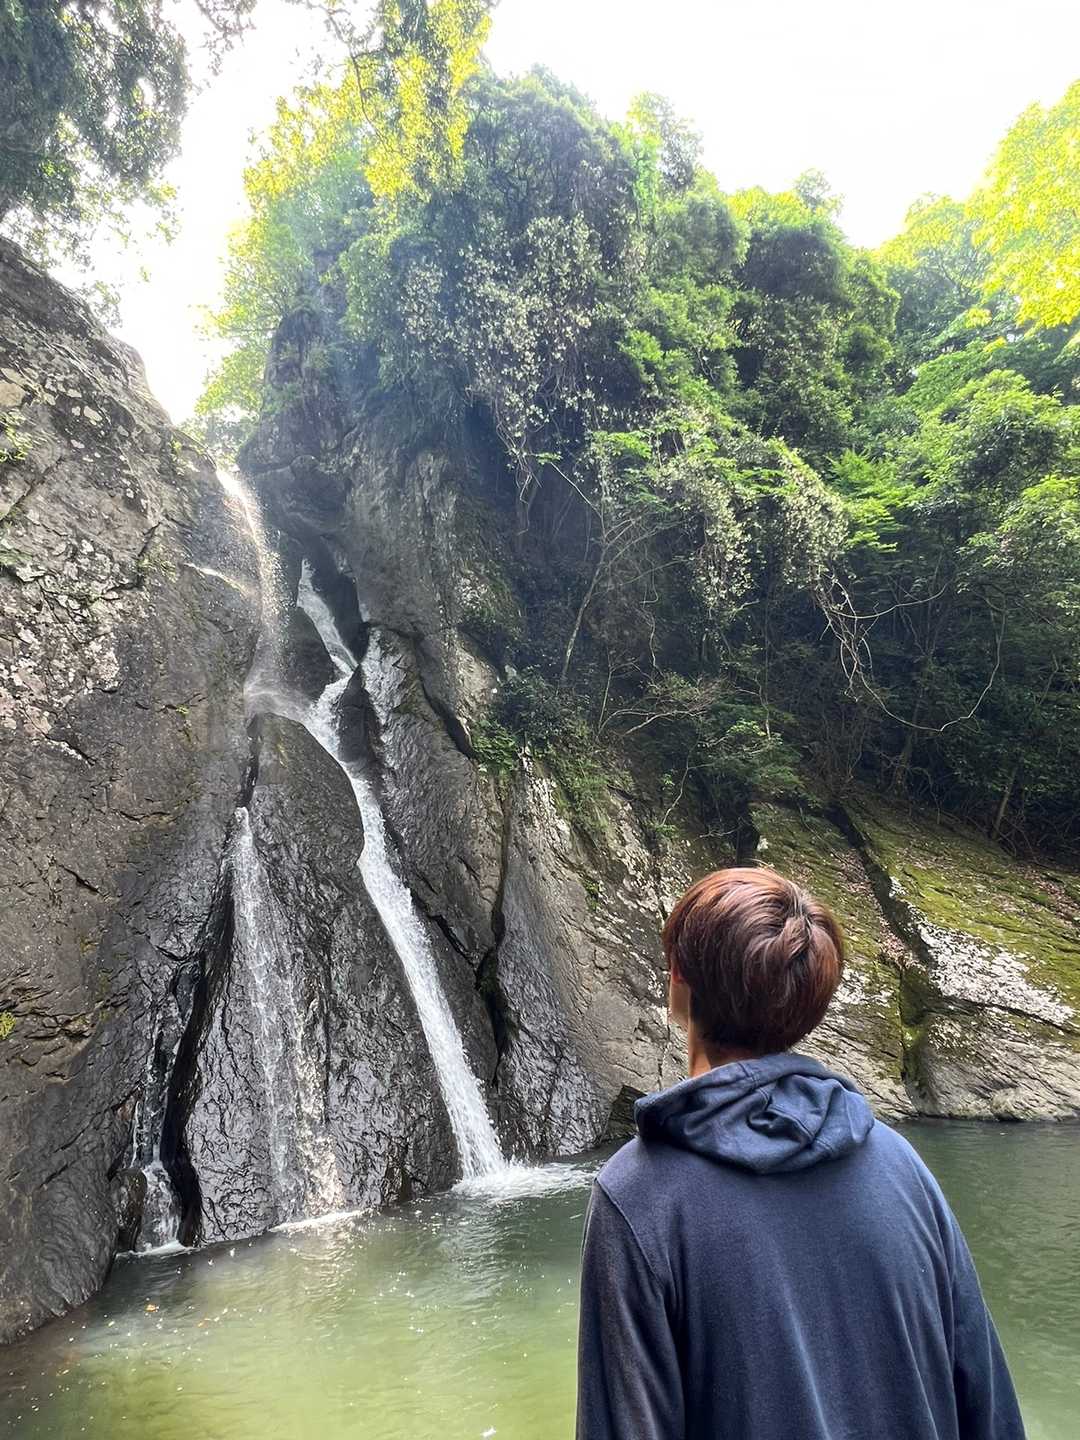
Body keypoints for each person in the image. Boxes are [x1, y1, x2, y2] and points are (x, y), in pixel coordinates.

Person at [575, 866, 1025, 1440]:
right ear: (808, 999)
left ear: (678, 976)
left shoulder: (638, 1198)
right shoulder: (902, 1167)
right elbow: (989, 1405)